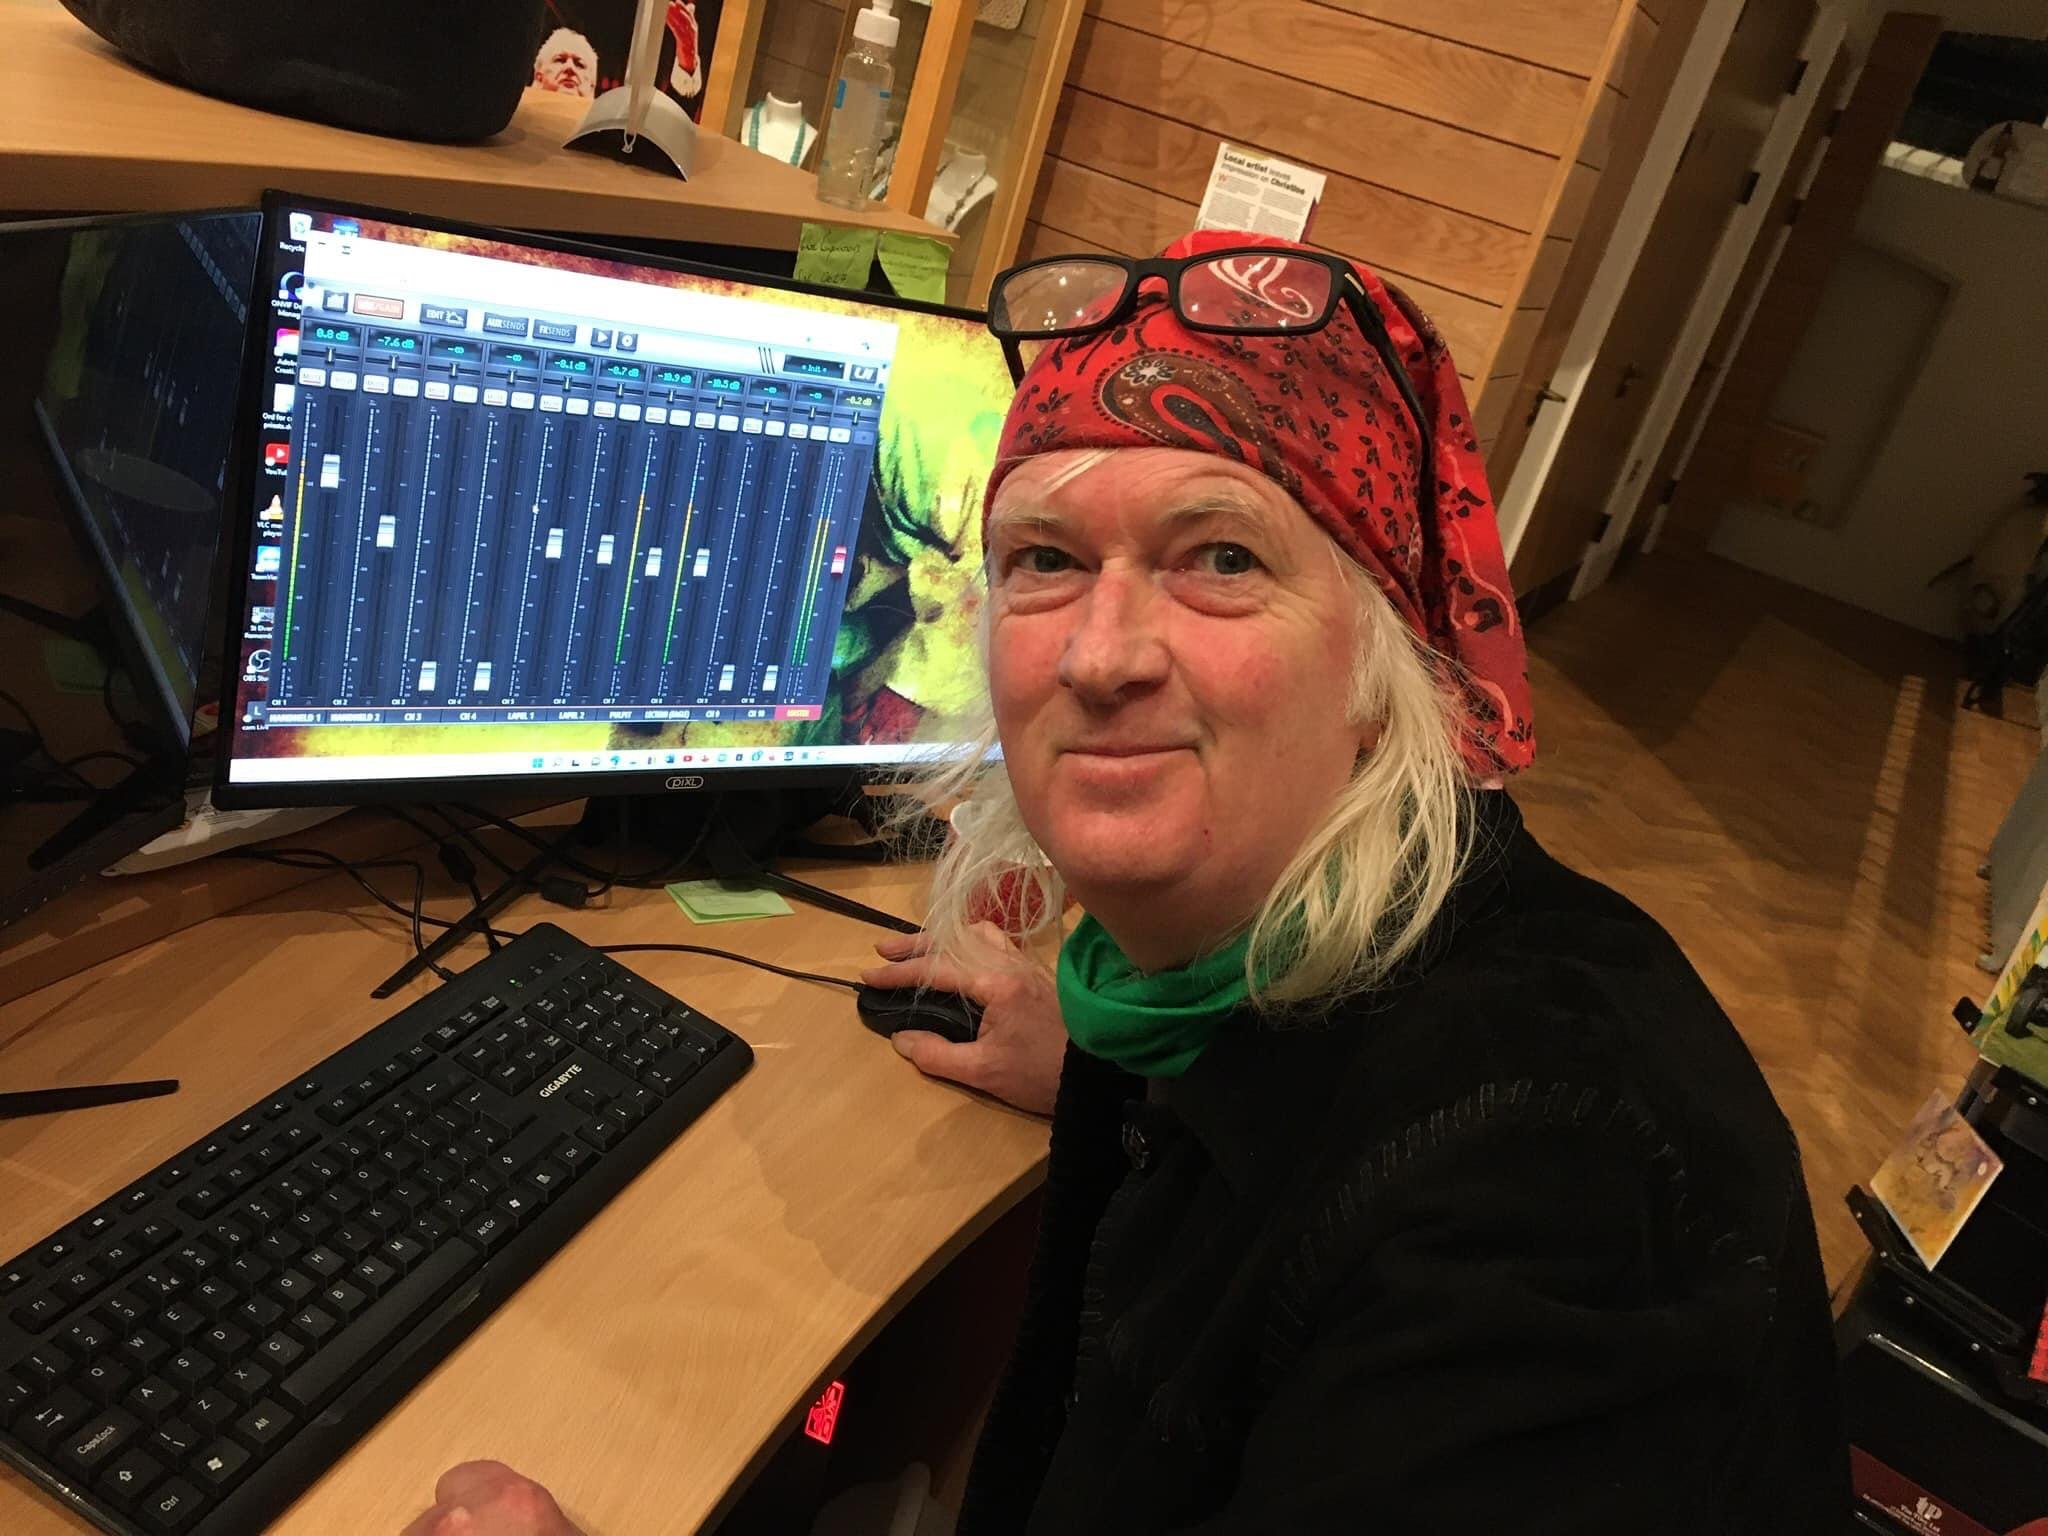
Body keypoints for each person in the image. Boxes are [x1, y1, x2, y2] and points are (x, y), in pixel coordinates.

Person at [401, 234, 1847, 1534]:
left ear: (1386, 660)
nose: (1100, 654)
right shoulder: (1262, 984)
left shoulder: (1553, 1188)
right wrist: (1124, 1072)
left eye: (1219, 556)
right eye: (1044, 560)